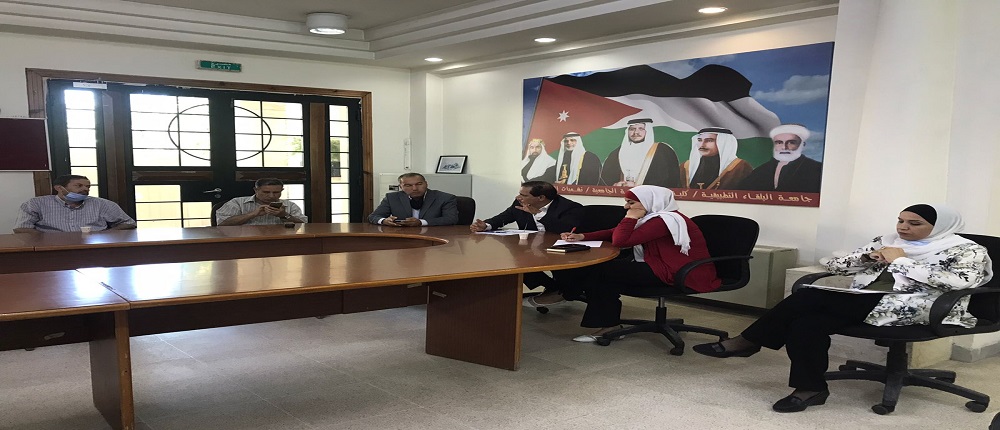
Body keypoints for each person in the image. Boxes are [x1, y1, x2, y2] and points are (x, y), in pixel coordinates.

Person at [693, 204, 992, 413]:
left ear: (940, 227)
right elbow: (835, 265)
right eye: (901, 220)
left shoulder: (967, 250)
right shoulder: (887, 241)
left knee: (807, 298)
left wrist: (901, 261)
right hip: (866, 300)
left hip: (924, 306)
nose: (903, 227)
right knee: (806, 323)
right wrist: (867, 258)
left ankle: (748, 342)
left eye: (915, 224)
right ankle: (810, 389)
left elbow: (960, 282)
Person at [557, 185, 719, 341]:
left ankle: (607, 325)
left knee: (601, 271)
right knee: (602, 271)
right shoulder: (654, 218)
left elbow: (620, 240)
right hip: (661, 264)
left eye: (631, 203)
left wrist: (630, 218)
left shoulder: (663, 221)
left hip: (679, 271)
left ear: (649, 202)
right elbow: (615, 232)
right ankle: (605, 320)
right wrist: (583, 237)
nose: (626, 207)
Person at [470, 181, 582, 299]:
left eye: (523, 195)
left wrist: (539, 214)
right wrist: (486, 225)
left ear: (541, 198)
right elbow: (504, 217)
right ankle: (552, 287)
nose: (518, 197)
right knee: (517, 262)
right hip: (530, 247)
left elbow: (565, 229)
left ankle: (566, 290)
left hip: (558, 249)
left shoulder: (569, 207)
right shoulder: (519, 203)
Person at [14, 174, 136, 233]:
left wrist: (106, 234)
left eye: (88, 187)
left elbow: (129, 223)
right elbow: (21, 229)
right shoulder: (36, 204)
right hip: (51, 248)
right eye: (79, 186)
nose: (85, 189)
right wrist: (46, 239)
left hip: (94, 247)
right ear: (59, 188)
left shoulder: (103, 204)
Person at [737, 124, 823, 193]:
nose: (784, 147)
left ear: (802, 145)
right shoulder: (760, 171)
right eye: (779, 143)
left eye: (791, 142)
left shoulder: (817, 169)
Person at [599, 118, 680, 188]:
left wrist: (639, 186)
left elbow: (670, 180)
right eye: (632, 129)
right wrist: (616, 185)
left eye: (641, 129)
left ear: (647, 131)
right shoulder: (616, 153)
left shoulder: (663, 151)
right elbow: (605, 180)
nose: (636, 132)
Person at [368, 173, 458, 226]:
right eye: (408, 185)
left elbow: (451, 219)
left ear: (426, 184)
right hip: (403, 236)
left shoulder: (445, 198)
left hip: (435, 236)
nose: (414, 188)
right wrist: (384, 221)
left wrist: (421, 222)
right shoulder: (391, 198)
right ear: (401, 187)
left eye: (419, 184)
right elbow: (373, 216)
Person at [679, 127, 752, 189]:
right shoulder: (685, 167)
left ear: (723, 143)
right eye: (699, 140)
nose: (702, 145)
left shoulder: (740, 167)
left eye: (709, 140)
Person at [215, 178, 307, 226]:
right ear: (256, 190)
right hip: (244, 241)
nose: (271, 196)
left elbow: (304, 225)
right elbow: (222, 224)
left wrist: (284, 215)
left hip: (281, 240)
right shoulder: (237, 203)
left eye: (276, 192)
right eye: (266, 192)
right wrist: (252, 214)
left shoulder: (290, 205)